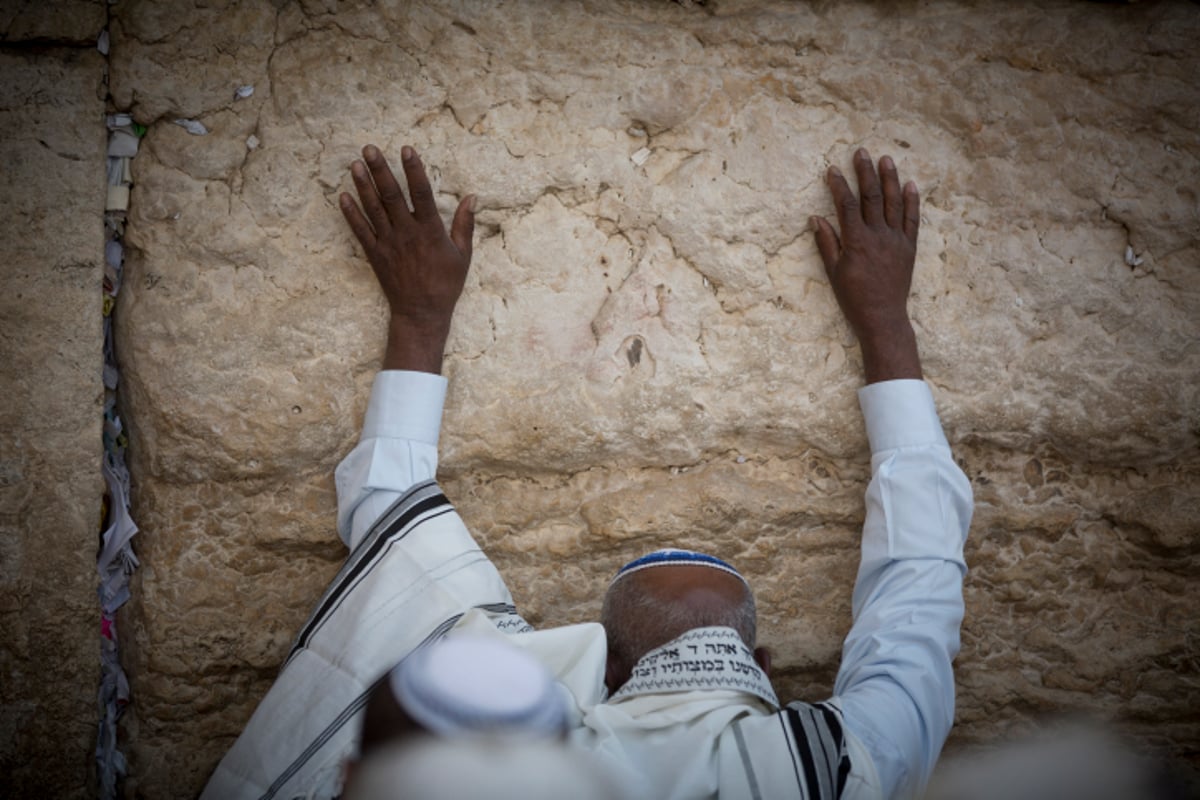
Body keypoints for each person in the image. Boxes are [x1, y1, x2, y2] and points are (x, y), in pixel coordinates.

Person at [200, 145, 972, 800]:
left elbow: (391, 507)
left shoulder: (507, 766)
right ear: (765, 671)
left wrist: (419, 317)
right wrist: (887, 324)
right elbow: (920, 587)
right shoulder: (840, 769)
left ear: (601, 669)